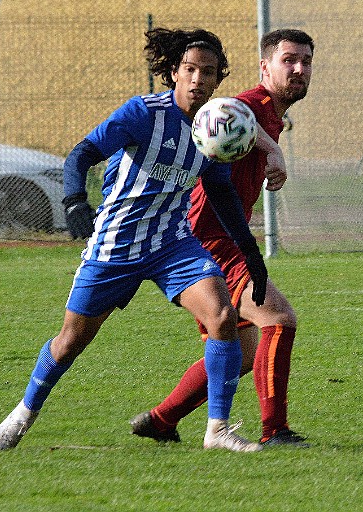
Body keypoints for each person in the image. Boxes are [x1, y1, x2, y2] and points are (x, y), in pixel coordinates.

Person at [0, 27, 269, 453]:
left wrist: (252, 256)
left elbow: (224, 196)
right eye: (189, 69)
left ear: (217, 80)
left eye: (207, 73)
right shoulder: (143, 114)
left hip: (173, 245)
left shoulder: (213, 130)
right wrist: (74, 203)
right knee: (70, 342)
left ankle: (218, 429)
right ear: (174, 72)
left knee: (222, 317)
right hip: (115, 245)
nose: (198, 79)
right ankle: (24, 413)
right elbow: (82, 153)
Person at [130, 29, 314, 447]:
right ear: (265, 67)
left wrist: (269, 146)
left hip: (216, 237)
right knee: (279, 320)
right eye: (289, 60)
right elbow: (218, 109)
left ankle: (162, 419)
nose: (299, 69)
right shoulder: (251, 105)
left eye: (305, 61)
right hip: (210, 239)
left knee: (242, 350)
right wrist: (272, 149)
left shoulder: (270, 115)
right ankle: (276, 431)